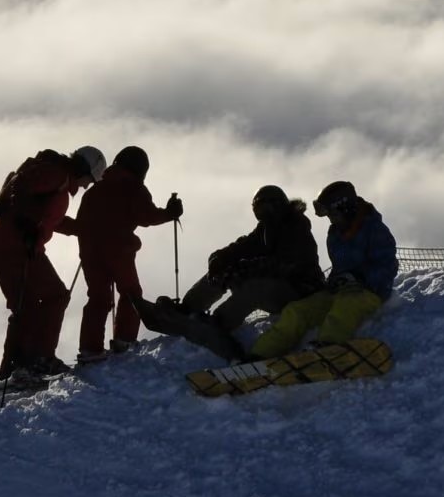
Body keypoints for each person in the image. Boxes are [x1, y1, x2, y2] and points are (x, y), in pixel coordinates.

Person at [0, 144, 105, 381]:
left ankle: (15, 366)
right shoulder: (57, 175)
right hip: (14, 246)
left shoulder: (59, 180)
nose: (86, 186)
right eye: (89, 180)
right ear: (83, 170)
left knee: (27, 304)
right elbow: (22, 184)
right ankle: (39, 359)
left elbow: (52, 220)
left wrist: (85, 229)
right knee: (54, 296)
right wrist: (24, 223)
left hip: (12, 244)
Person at [169, 185, 324, 356]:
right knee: (224, 269)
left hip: (301, 291)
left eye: (265, 207)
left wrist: (247, 269)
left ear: (277, 205)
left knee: (255, 288)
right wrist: (219, 259)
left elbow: (285, 263)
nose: (261, 212)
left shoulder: (296, 227)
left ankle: (219, 323)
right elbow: (241, 247)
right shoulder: (265, 229)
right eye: (257, 207)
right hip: (281, 288)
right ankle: (188, 308)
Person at [250, 182, 398, 356]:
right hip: (339, 291)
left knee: (345, 308)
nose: (331, 219)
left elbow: (387, 265)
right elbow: (339, 268)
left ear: (346, 208)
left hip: (369, 292)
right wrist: (335, 281)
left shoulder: (374, 230)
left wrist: (360, 279)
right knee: (297, 311)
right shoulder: (335, 233)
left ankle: (328, 346)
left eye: (333, 214)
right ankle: (259, 354)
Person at [74, 146, 182, 363]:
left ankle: (90, 349)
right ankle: (124, 340)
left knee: (98, 297)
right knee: (131, 293)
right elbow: (147, 217)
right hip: (118, 250)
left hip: (89, 251)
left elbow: (82, 224)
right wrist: (170, 213)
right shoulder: (133, 188)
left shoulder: (95, 190)